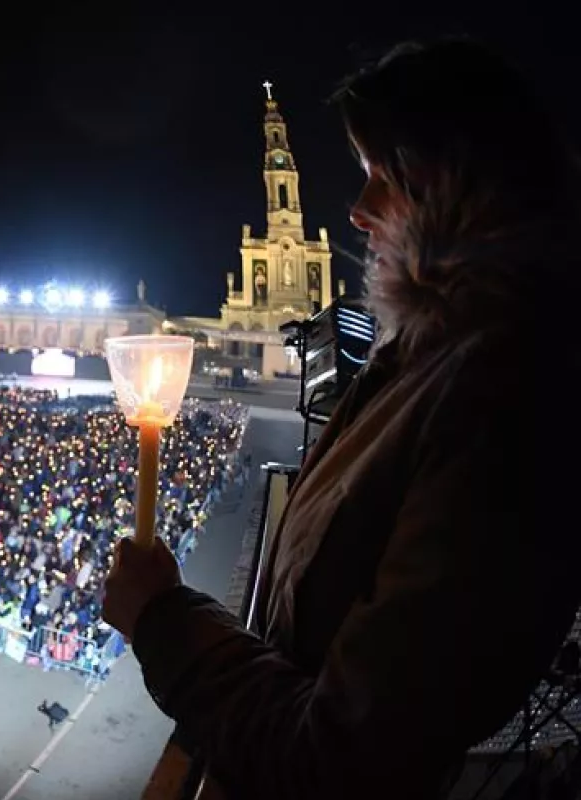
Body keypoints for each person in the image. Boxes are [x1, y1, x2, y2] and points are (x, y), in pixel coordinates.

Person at [103, 40, 581, 800]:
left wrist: (162, 621)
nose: (357, 211)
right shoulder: (429, 356)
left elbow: (344, 754)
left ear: (457, 192)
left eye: (383, 180)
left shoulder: (498, 397)